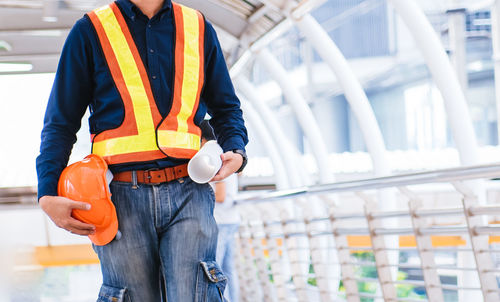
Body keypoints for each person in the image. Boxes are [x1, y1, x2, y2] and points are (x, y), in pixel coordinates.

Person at [35, 0, 248, 301]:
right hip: (119, 200)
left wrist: (237, 152)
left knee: (197, 294)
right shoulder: (90, 31)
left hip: (190, 191)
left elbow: (227, 108)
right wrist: (47, 194)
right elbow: (60, 123)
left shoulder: (198, 27)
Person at [200, 120, 240, 302]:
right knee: (228, 269)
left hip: (221, 220)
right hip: (231, 218)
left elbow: (221, 195)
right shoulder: (226, 152)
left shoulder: (213, 155)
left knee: (215, 272)